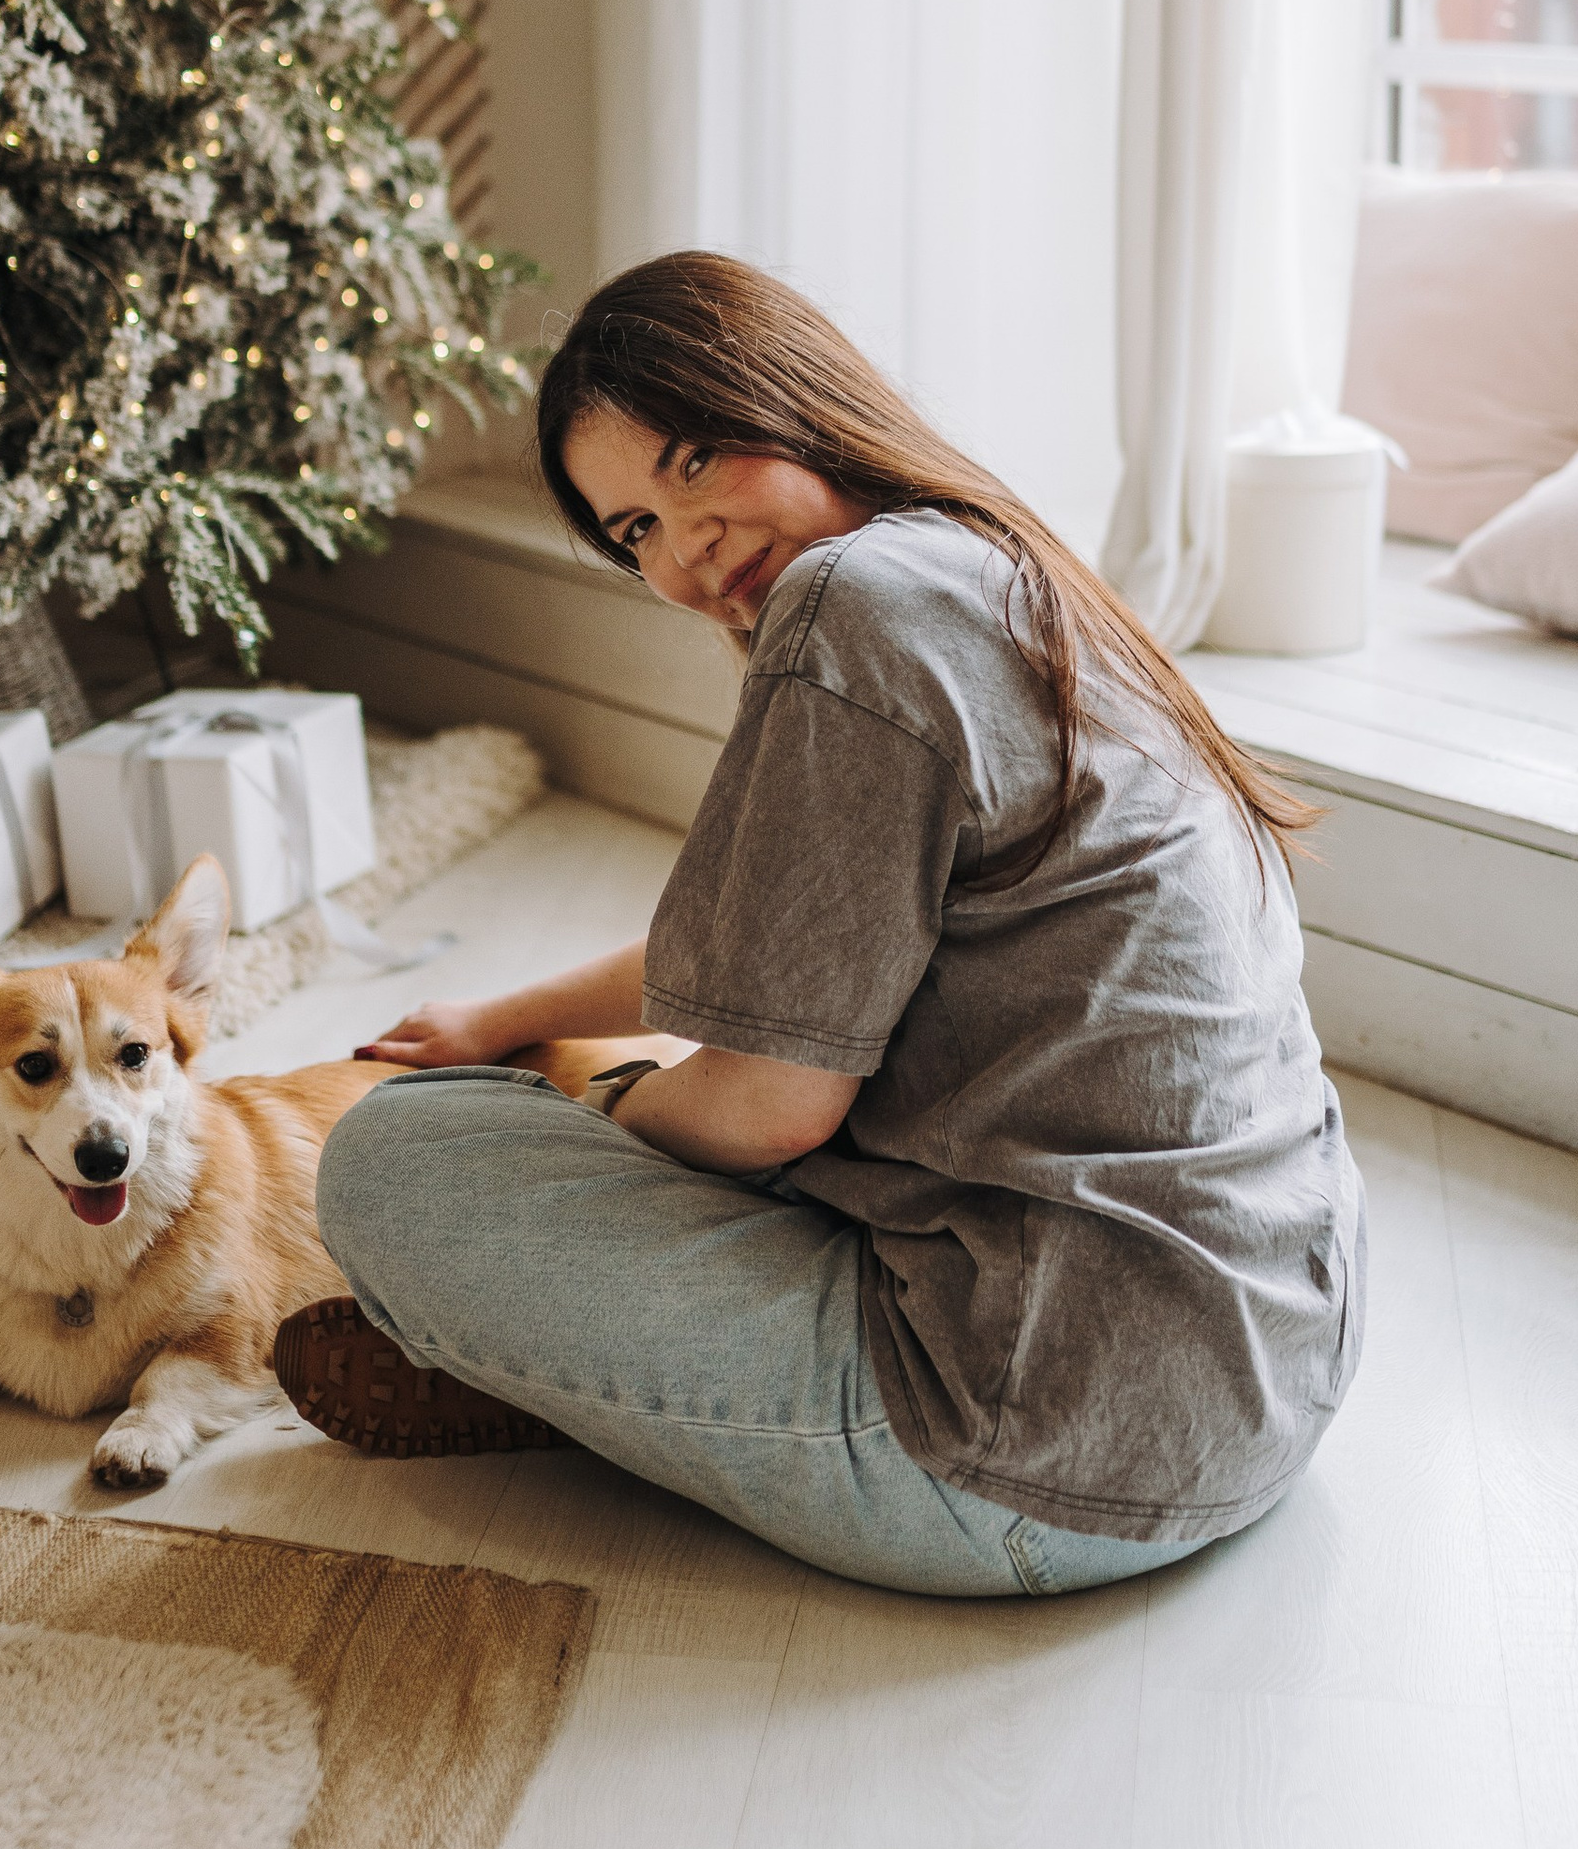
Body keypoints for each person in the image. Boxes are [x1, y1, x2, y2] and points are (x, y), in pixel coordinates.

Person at [297, 252, 1367, 1599]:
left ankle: (553, 1372)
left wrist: (610, 1113)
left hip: (1036, 1449)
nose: (681, 548)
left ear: (791, 396)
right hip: (1275, 1361)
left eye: (693, 461)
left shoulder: (847, 604)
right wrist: (505, 1022)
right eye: (632, 527)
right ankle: (581, 1360)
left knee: (391, 1161)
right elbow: (784, 946)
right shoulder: (1003, 565)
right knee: (560, 1118)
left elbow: (767, 1106)